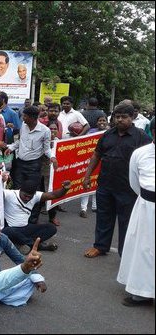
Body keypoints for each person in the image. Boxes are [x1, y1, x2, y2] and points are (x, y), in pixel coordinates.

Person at [83, 103, 151, 258]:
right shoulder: (107, 135)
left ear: (132, 117)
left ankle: (125, 252)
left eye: (124, 117)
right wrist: (87, 176)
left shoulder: (141, 137)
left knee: (126, 221)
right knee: (103, 217)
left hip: (128, 188)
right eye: (117, 117)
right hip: (105, 185)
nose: (120, 120)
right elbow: (96, 155)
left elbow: (149, 161)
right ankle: (100, 246)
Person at [117, 117, 154, 306]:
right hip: (145, 207)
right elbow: (134, 182)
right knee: (143, 249)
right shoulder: (140, 154)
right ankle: (141, 292)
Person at [2, 180, 71, 254]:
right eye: (25, 196)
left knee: (51, 228)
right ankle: (37, 246)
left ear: (34, 194)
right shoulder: (9, 194)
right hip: (10, 229)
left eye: (30, 197)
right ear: (20, 190)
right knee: (8, 231)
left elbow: (54, 195)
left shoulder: (36, 196)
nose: (27, 199)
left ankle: (22, 243)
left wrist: (65, 189)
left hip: (25, 228)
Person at [6, 106, 57, 190]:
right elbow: (20, 141)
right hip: (20, 163)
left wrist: (52, 157)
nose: (23, 119)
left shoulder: (45, 131)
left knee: (32, 189)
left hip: (34, 165)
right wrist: (11, 148)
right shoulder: (23, 125)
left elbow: (46, 149)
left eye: (25, 116)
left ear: (33, 118)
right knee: (18, 188)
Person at [79, 115, 108, 218]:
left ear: (107, 122)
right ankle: (83, 208)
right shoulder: (90, 132)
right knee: (87, 183)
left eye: (104, 120)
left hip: (103, 162)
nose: (102, 122)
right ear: (96, 123)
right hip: (90, 161)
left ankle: (95, 207)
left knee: (97, 184)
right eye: (100, 120)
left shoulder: (110, 133)